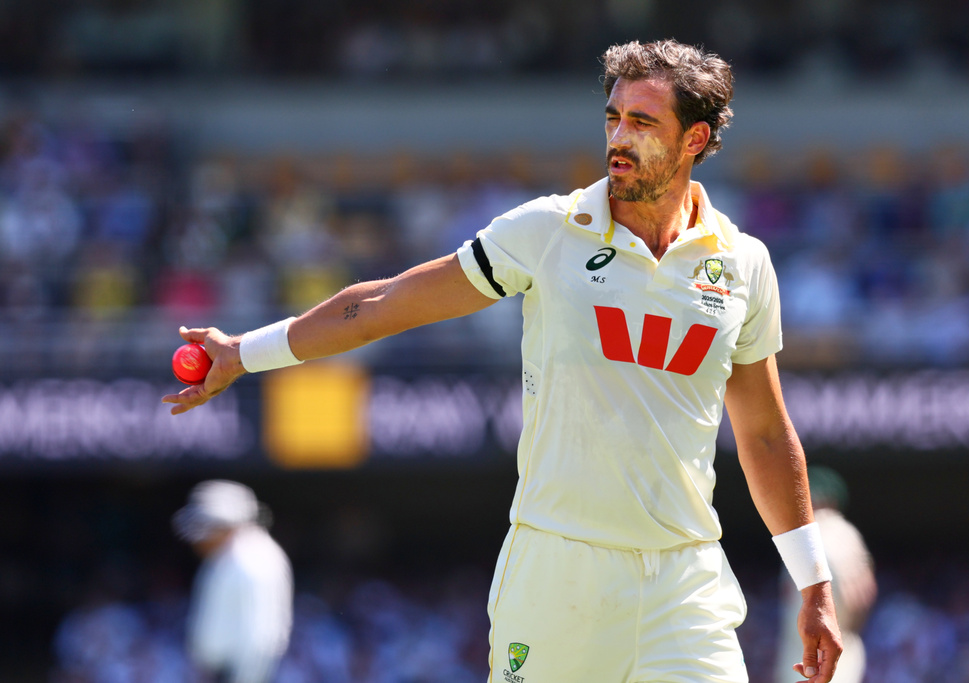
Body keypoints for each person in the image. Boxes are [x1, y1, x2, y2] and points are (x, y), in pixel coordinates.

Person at [164, 39, 842, 683]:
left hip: (686, 578)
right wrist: (244, 353)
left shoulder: (744, 264)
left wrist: (814, 580)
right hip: (557, 570)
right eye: (612, 117)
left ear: (694, 139)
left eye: (642, 121)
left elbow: (763, 431)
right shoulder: (546, 231)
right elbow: (384, 304)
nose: (617, 136)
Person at [172, 479, 294, 683]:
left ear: (224, 525)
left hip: (237, 674)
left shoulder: (252, 559)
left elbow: (260, 639)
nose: (198, 539)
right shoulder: (229, 556)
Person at [775, 467, 875, 683]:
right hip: (833, 645)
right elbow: (864, 594)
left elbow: (859, 593)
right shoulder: (844, 533)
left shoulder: (821, 531)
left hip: (810, 649)